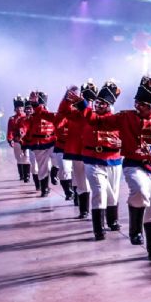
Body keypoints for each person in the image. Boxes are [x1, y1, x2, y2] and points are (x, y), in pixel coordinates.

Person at [71, 76, 151, 260]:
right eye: (136, 103)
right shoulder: (126, 117)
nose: (137, 106)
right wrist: (83, 105)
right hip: (133, 164)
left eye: (141, 105)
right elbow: (98, 121)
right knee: (141, 191)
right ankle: (135, 230)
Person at [79, 81, 124, 240]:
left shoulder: (117, 119)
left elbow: (129, 137)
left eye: (102, 103)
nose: (98, 105)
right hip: (93, 160)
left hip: (113, 160)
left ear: (109, 106)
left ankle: (113, 220)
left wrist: (122, 143)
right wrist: (80, 101)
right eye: (97, 102)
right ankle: (98, 229)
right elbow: (83, 114)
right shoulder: (87, 116)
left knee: (113, 193)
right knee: (99, 192)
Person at [61, 81, 98, 219]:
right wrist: (66, 99)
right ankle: (84, 210)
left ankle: (104, 214)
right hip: (78, 152)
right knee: (81, 182)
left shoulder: (99, 112)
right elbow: (63, 113)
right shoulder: (75, 112)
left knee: (99, 185)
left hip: (95, 153)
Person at [23, 91, 59, 197]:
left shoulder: (51, 114)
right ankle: (44, 188)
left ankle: (54, 173)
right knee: (42, 167)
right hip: (39, 144)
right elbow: (25, 127)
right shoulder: (31, 117)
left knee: (58, 160)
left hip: (52, 142)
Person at [6, 95, 30, 183]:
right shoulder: (12, 119)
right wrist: (10, 140)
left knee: (27, 157)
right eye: (17, 107)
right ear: (15, 109)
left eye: (21, 107)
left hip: (26, 141)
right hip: (17, 140)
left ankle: (27, 175)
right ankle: (21, 175)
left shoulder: (27, 117)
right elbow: (10, 130)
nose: (19, 109)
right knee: (19, 158)